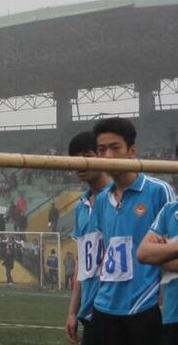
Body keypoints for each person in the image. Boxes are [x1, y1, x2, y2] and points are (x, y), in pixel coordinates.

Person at [90, 117, 175, 345]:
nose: (108, 156)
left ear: (131, 151)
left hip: (144, 306)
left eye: (115, 148)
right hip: (104, 305)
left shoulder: (159, 191)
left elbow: (171, 250)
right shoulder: (102, 199)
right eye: (102, 150)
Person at [64, 131, 111, 345]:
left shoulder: (118, 197)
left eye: (87, 155)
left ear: (100, 154)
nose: (81, 163)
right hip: (90, 310)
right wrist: (73, 312)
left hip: (118, 307)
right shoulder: (80, 207)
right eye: (75, 159)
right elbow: (82, 266)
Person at [137, 198, 178, 345]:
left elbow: (155, 257)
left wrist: (163, 254)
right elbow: (144, 253)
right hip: (173, 314)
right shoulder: (170, 209)